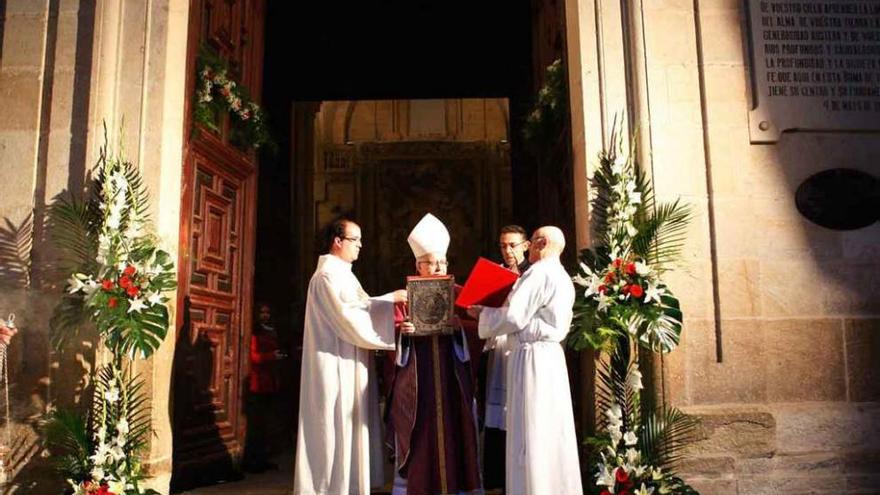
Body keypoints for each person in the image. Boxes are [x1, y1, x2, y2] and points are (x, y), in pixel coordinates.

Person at [294, 218, 407, 495]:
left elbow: (361, 309)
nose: (360, 245)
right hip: (332, 361)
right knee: (332, 425)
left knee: (350, 425)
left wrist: (391, 315)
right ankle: (327, 488)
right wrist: (390, 300)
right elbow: (347, 316)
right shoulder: (326, 276)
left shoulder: (344, 273)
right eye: (355, 240)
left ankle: (350, 486)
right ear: (337, 241)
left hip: (350, 359)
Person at [468, 226, 582, 495]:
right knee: (550, 430)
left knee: (530, 430)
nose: (527, 248)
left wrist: (481, 315)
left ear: (541, 243)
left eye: (531, 242)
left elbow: (514, 317)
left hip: (532, 359)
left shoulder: (539, 272)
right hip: (550, 358)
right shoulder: (561, 275)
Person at [385, 213, 482, 495]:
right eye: (430, 261)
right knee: (419, 431)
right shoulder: (405, 298)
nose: (438, 267)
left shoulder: (461, 294)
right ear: (418, 265)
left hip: (453, 379)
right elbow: (388, 341)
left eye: (442, 261)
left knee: (456, 431)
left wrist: (460, 329)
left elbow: (481, 329)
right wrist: (402, 332)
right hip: (417, 381)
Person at [483, 225, 531, 491]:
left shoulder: (532, 274)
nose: (508, 250)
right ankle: (498, 479)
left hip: (522, 346)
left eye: (513, 245)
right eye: (503, 245)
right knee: (497, 411)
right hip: (498, 346)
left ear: (525, 245)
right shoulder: (496, 273)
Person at [243, 302, 285, 473]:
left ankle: (263, 458)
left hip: (270, 382)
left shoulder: (271, 330)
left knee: (266, 424)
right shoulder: (254, 332)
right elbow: (252, 356)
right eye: (262, 312)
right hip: (257, 383)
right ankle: (253, 461)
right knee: (256, 425)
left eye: (267, 312)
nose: (265, 315)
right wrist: (270, 356)